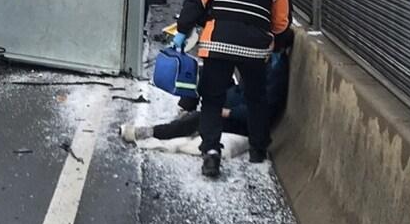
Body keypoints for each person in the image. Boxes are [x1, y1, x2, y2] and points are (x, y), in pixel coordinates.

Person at [174, 0, 289, 178]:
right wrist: (276, 44)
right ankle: (259, 150)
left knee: (212, 99)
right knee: (256, 99)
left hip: (218, 42)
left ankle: (212, 153)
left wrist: (183, 31)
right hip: (255, 48)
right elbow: (282, 22)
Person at [122, 30, 291, 144]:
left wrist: (229, 112)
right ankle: (184, 112)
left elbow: (262, 109)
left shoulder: (276, 71)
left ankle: (150, 133)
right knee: (205, 73)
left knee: (202, 118)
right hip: (234, 98)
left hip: (242, 120)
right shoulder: (262, 58)